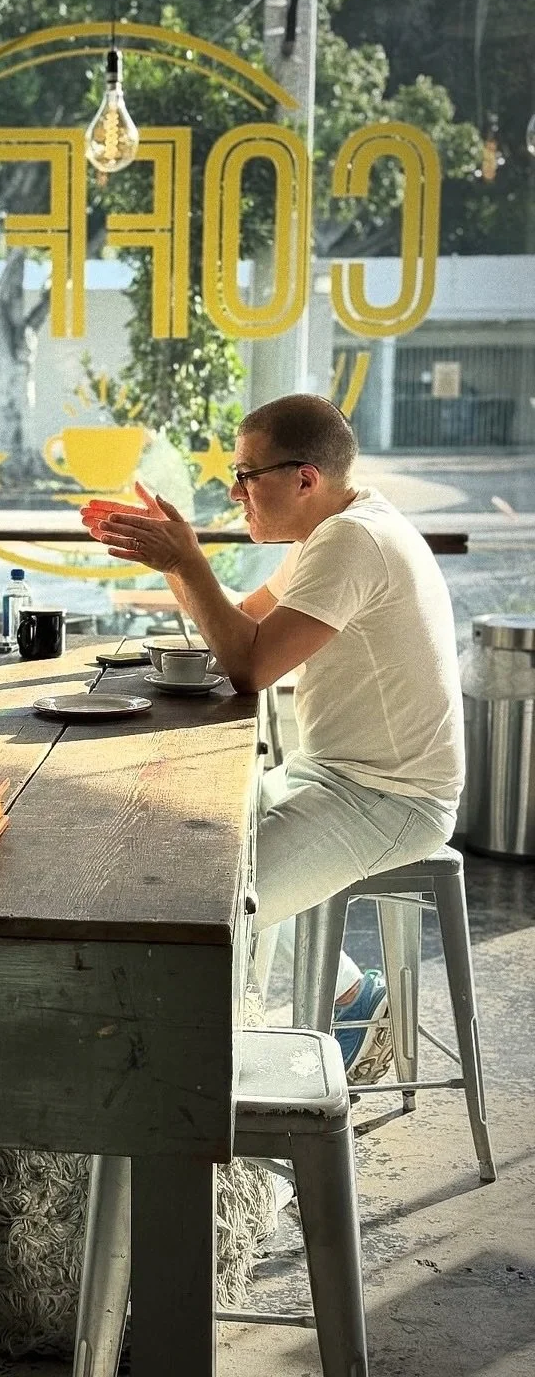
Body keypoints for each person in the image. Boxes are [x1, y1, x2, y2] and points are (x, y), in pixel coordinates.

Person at [81, 393, 464, 1083]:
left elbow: (251, 666)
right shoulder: (336, 529)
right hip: (338, 776)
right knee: (195, 843)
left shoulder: (354, 540)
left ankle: (200, 1100)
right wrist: (177, 563)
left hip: (392, 798)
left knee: (210, 899)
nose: (236, 492)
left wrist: (190, 561)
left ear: (305, 479)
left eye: (247, 474)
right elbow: (243, 622)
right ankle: (358, 1002)